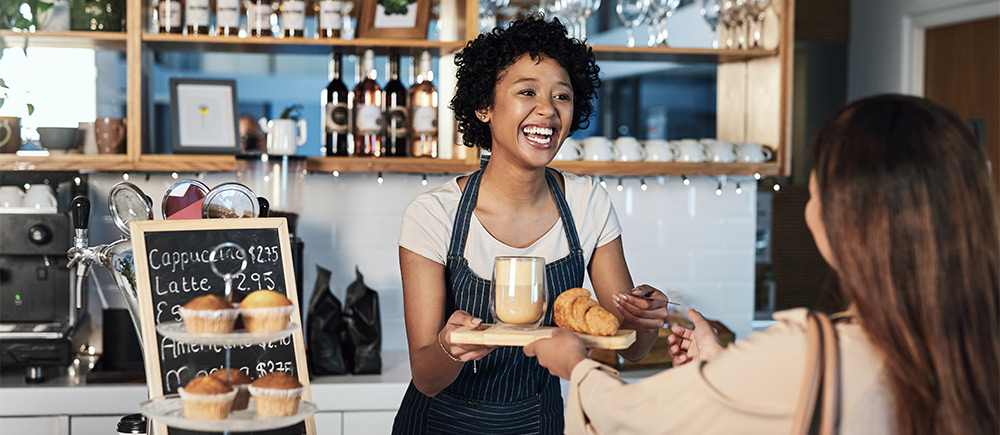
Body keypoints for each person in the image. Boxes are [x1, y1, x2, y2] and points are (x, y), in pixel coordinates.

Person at [524, 94, 1000, 434]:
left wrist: (578, 369)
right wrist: (727, 370)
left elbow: (636, 417)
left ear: (847, 222)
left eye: (816, 193)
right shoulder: (976, 347)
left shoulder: (811, 351)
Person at [392, 16, 668, 434]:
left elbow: (623, 345)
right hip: (440, 423)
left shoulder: (587, 204)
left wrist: (646, 322)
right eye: (527, 92)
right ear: (483, 106)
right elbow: (427, 378)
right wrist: (450, 348)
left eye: (563, 96)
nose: (548, 110)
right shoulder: (433, 215)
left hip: (538, 422)